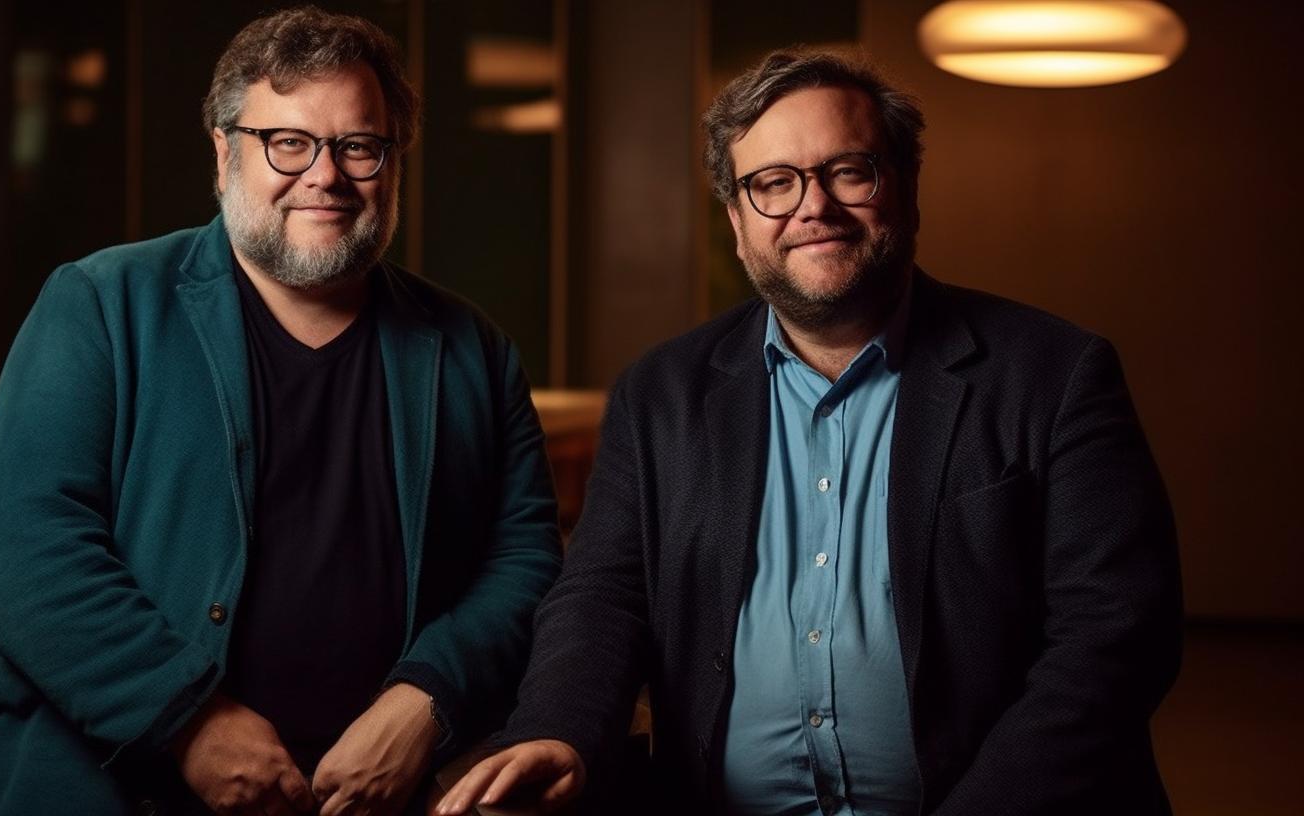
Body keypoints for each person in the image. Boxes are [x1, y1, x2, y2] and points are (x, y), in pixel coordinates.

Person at [438, 48, 1181, 815]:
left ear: (907, 189)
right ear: (737, 221)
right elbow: (603, 595)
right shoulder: (659, 394)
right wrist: (558, 731)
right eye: (774, 183)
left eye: (848, 171)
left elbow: (1115, 638)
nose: (812, 206)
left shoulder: (1054, 375)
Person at [0, 8, 561, 815]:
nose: (325, 174)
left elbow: (525, 564)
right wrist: (189, 720)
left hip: (367, 787)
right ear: (224, 153)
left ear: (393, 162)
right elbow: (29, 550)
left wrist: (426, 700)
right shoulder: (100, 304)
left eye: (358, 145)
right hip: (103, 766)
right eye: (287, 142)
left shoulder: (474, 349)